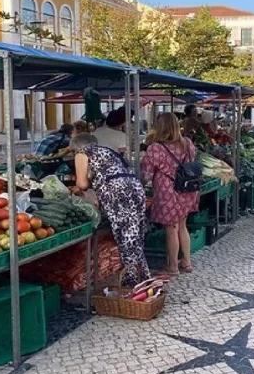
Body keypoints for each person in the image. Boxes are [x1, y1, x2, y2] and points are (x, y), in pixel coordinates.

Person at [69, 133, 149, 286]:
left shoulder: (82, 153)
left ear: (77, 146)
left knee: (125, 237)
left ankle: (132, 282)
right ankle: (142, 276)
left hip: (118, 192)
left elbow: (82, 184)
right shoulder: (106, 151)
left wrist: (78, 188)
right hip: (135, 188)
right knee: (135, 236)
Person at [141, 113, 199, 275]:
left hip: (168, 192)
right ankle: (186, 262)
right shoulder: (187, 143)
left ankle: (173, 266)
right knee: (182, 225)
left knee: (171, 229)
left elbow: (145, 174)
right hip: (187, 190)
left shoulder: (155, 148)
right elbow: (192, 161)